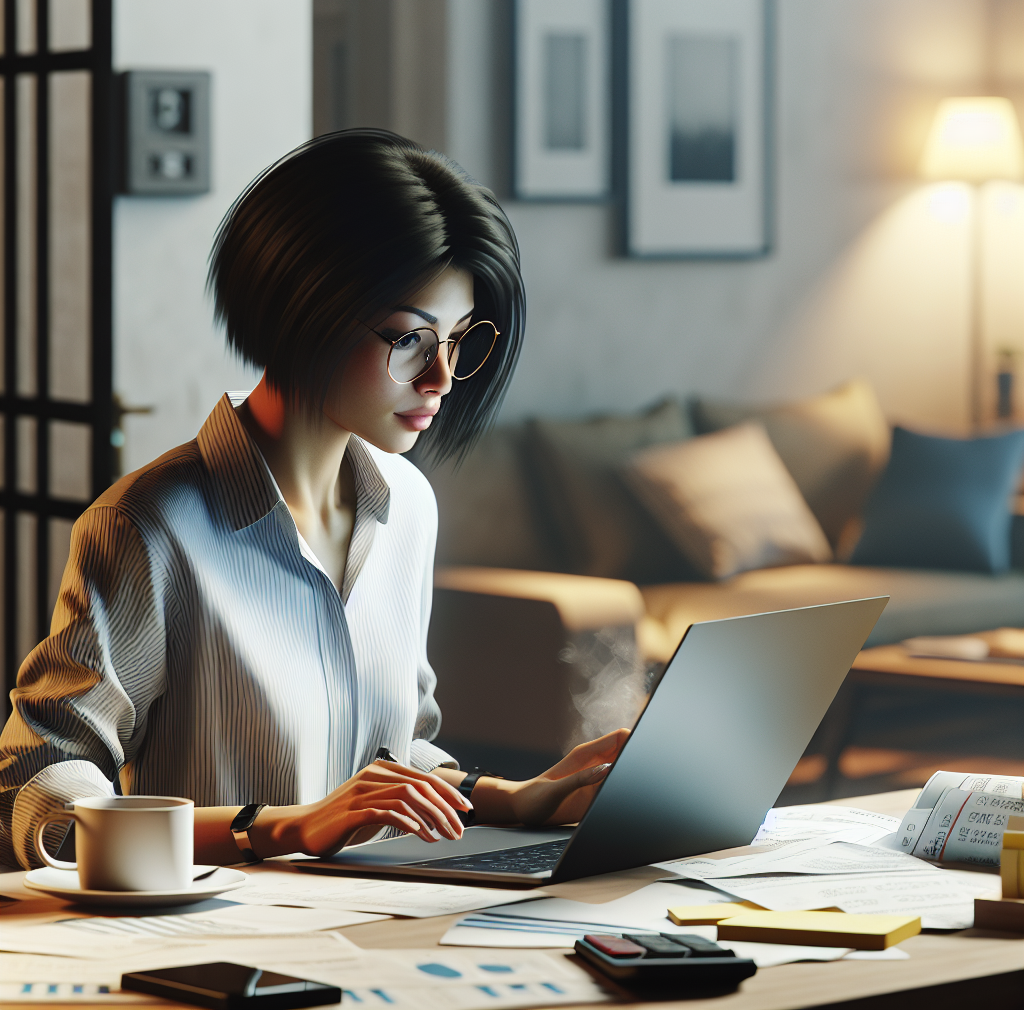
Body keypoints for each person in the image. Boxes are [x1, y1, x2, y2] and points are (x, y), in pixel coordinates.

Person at [0, 130, 628, 870]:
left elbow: (393, 761)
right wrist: (283, 827)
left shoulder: (407, 505)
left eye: (459, 340)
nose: (441, 379)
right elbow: (39, 798)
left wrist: (520, 798)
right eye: (410, 340)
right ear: (302, 308)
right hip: (222, 949)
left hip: (379, 928)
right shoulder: (151, 527)